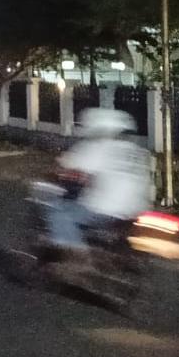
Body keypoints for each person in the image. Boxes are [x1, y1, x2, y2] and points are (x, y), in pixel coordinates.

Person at [43, 107, 154, 258]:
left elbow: (70, 168)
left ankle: (75, 257)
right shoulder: (138, 151)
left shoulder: (98, 146)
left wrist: (59, 172)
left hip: (103, 211)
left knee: (60, 214)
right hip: (135, 213)